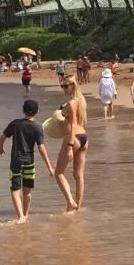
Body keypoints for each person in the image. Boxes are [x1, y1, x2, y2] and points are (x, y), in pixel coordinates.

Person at [0, 98, 58, 224]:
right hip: (29, 162)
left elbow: (3, 136)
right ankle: (25, 215)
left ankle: (20, 217)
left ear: (23, 110)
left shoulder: (15, 124)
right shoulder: (37, 128)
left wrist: (1, 147)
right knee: (27, 190)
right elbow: (41, 148)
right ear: (37, 112)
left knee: (15, 190)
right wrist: (49, 167)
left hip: (16, 162)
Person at [55, 77, 89, 211]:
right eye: (61, 86)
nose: (63, 88)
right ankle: (78, 207)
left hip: (73, 138)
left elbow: (73, 123)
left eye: (65, 86)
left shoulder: (71, 103)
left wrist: (69, 146)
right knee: (78, 175)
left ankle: (70, 202)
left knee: (58, 173)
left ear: (72, 85)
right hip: (84, 137)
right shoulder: (81, 100)